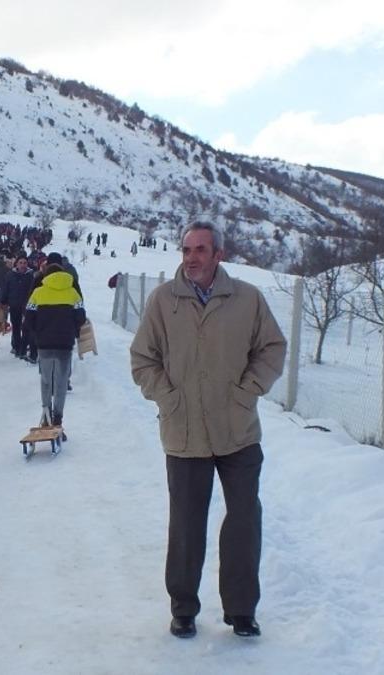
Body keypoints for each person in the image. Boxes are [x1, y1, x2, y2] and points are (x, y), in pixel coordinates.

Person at [129, 222, 286, 640]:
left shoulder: (247, 299)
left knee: (243, 520)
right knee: (185, 525)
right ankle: (183, 608)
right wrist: (168, 397)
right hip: (184, 433)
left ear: (219, 254)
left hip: (237, 431)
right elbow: (143, 359)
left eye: (200, 249)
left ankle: (241, 610)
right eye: (186, 250)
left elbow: (272, 348)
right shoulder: (164, 301)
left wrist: (248, 391)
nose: (192, 257)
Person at [25, 262, 86, 427]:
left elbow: (28, 317)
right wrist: (72, 330)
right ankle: (58, 418)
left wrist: (38, 331)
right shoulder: (73, 293)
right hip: (65, 343)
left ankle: (46, 415)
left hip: (44, 343)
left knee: (45, 379)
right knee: (61, 381)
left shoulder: (38, 292)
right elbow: (81, 317)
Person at [0, 254, 35, 360]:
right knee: (16, 327)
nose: (23, 265)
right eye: (21, 263)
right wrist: (3, 301)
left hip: (27, 306)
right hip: (14, 304)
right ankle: (17, 347)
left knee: (26, 327)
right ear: (17, 264)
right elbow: (6, 289)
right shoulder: (10, 275)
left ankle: (24, 348)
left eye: (25, 263)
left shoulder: (31, 276)